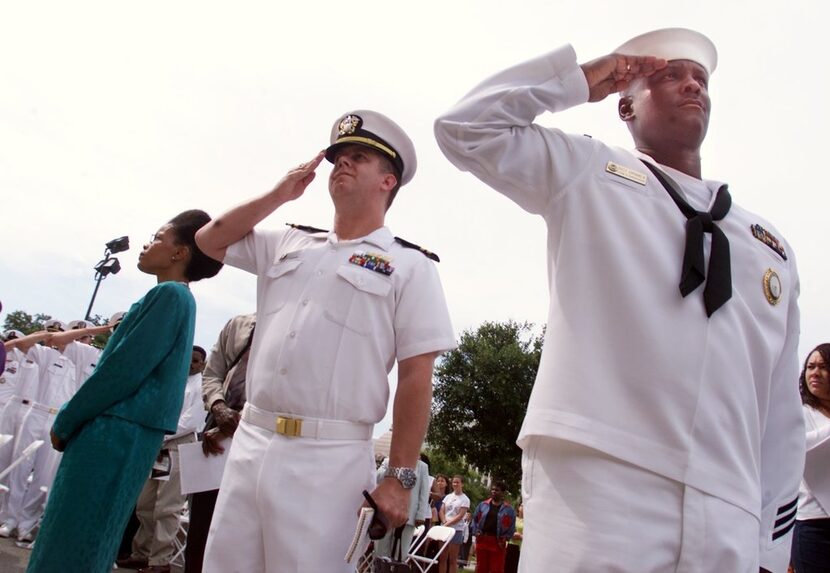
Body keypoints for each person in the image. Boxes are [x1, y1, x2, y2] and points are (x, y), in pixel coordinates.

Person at [435, 27, 804, 573]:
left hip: (730, 502)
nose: (691, 86)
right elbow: (466, 129)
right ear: (625, 106)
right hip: (600, 482)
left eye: (700, 78)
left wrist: (769, 552)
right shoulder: (588, 171)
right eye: (669, 75)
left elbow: (780, 414)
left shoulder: (767, 247)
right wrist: (581, 80)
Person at [195, 110, 456, 572]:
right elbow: (209, 240)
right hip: (252, 441)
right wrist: (279, 194)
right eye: (338, 157)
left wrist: (399, 477)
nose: (343, 165)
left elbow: (417, 376)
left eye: (359, 157)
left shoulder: (410, 267)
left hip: (329, 459)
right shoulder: (288, 242)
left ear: (388, 181)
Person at [25, 210, 222, 573]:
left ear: (180, 253)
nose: (148, 244)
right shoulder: (177, 298)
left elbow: (121, 370)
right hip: (127, 431)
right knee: (90, 536)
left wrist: (68, 418)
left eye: (159, 237)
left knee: (71, 538)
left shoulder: (169, 296)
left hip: (114, 429)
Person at [119, 346, 208, 573]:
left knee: (167, 507)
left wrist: (159, 436)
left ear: (203, 364)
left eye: (196, 361)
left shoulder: (201, 385)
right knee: (145, 504)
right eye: (188, 358)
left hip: (178, 445)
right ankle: (142, 553)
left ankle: (160, 561)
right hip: (159, 446)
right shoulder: (176, 380)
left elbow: (189, 421)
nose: (191, 364)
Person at [184, 313, 255, 573]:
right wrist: (217, 406)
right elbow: (212, 374)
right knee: (202, 521)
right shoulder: (240, 324)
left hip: (258, 436)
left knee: (243, 529)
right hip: (217, 427)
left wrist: (237, 424)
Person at [791, 344, 830, 571]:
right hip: (812, 525)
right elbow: (797, 447)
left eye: (823, 367)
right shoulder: (798, 410)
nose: (814, 373)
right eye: (810, 367)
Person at [374, 456, 431, 559]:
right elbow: (377, 478)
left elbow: (424, 492)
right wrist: (394, 468)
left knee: (400, 553)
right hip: (386, 513)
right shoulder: (388, 461)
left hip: (408, 516)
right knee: (380, 551)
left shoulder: (422, 467)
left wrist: (420, 515)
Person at [470, 482, 516, 573]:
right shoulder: (483, 505)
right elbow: (474, 520)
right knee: (481, 568)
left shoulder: (509, 509)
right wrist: (476, 533)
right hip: (483, 539)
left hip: (498, 542)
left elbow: (511, 527)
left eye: (497, 490)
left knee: (497, 569)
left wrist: (505, 538)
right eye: (493, 489)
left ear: (503, 493)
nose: (494, 491)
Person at [439, 475, 470, 573]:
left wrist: (448, 524)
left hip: (456, 530)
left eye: (457, 482)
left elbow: (460, 515)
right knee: (442, 558)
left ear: (462, 484)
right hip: (444, 529)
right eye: (453, 482)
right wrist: (444, 522)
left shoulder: (465, 499)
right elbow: (441, 510)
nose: (455, 484)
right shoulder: (448, 496)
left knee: (452, 559)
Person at [503, 503, 523, 573]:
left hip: (520, 547)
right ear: (518, 507)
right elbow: (507, 529)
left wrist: (520, 536)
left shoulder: (528, 521)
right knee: (506, 567)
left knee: (515, 568)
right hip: (510, 544)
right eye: (521, 506)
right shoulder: (514, 518)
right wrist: (513, 533)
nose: (522, 508)